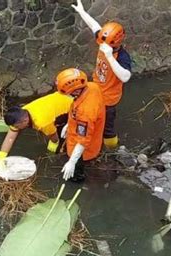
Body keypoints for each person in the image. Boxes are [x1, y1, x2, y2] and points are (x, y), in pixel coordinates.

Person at [72, 0, 133, 149]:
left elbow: (125, 77)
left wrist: (110, 56)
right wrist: (82, 12)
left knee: (107, 127)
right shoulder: (104, 40)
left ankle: (112, 150)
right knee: (86, 116)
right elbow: (94, 26)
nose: (102, 45)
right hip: (93, 89)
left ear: (116, 43)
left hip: (108, 99)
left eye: (106, 44)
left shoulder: (123, 57)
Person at [0, 92, 72, 168]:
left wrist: (54, 143)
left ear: (25, 121)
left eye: (17, 126)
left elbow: (53, 135)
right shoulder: (21, 113)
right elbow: (10, 138)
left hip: (71, 106)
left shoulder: (42, 123)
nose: (16, 128)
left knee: (63, 137)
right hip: (59, 97)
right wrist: (2, 155)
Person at [56, 68, 106, 182]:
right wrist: (69, 124)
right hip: (86, 132)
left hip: (84, 148)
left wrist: (72, 162)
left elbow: (83, 140)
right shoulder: (92, 87)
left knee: (75, 171)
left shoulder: (86, 112)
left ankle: (77, 181)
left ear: (76, 91)